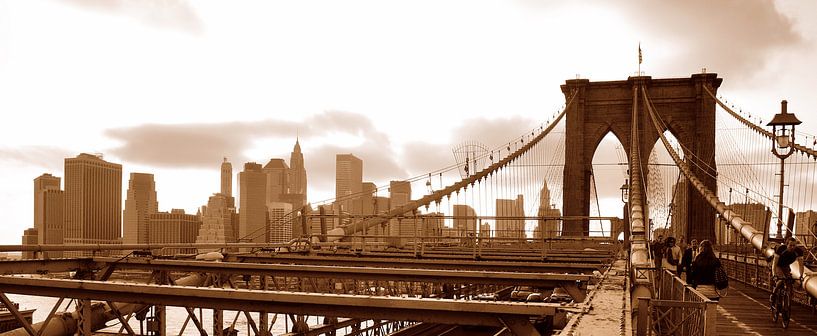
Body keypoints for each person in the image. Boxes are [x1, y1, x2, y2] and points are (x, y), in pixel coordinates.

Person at [770, 238, 804, 305]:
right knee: (781, 280)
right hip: (778, 265)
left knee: (789, 280)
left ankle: (787, 300)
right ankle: (773, 295)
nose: (792, 247)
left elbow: (801, 265)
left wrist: (801, 275)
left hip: (786, 265)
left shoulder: (799, 251)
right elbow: (774, 264)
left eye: (794, 245)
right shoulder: (781, 249)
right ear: (786, 245)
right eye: (790, 245)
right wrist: (774, 275)